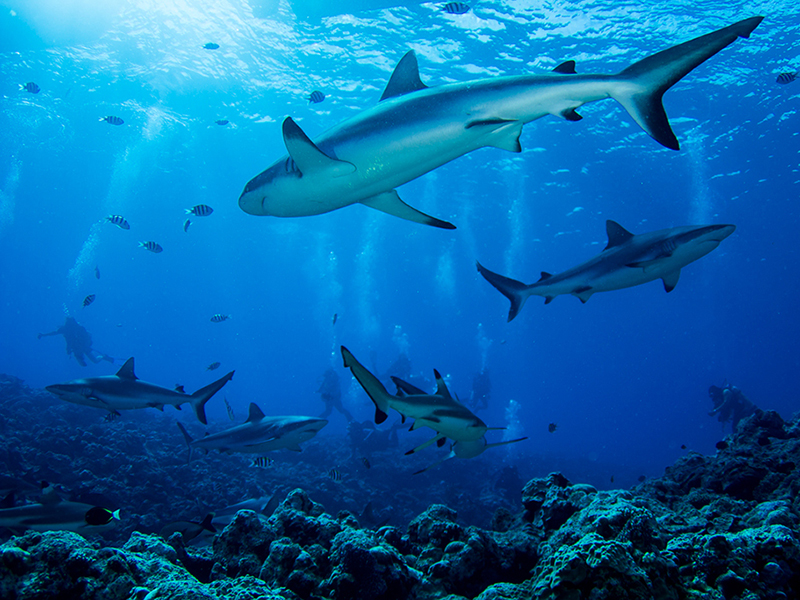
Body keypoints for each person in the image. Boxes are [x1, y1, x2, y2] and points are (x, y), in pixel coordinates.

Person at [38, 317, 113, 367]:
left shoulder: (76, 328)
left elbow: (54, 333)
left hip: (83, 347)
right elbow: (54, 333)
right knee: (85, 363)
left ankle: (103, 357)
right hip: (77, 348)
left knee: (94, 361)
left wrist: (43, 335)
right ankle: (102, 357)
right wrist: (43, 335)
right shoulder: (66, 329)